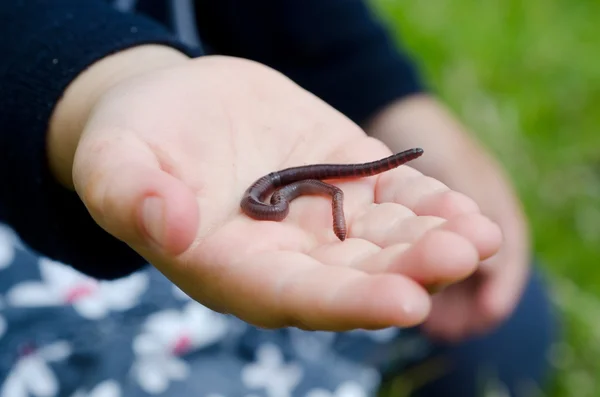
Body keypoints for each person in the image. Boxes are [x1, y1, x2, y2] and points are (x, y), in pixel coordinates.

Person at [0, 1, 557, 396]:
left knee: (504, 331)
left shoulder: (286, 188)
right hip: (48, 220)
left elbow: (300, 18)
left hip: (230, 171)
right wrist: (100, 84)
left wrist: (395, 100)